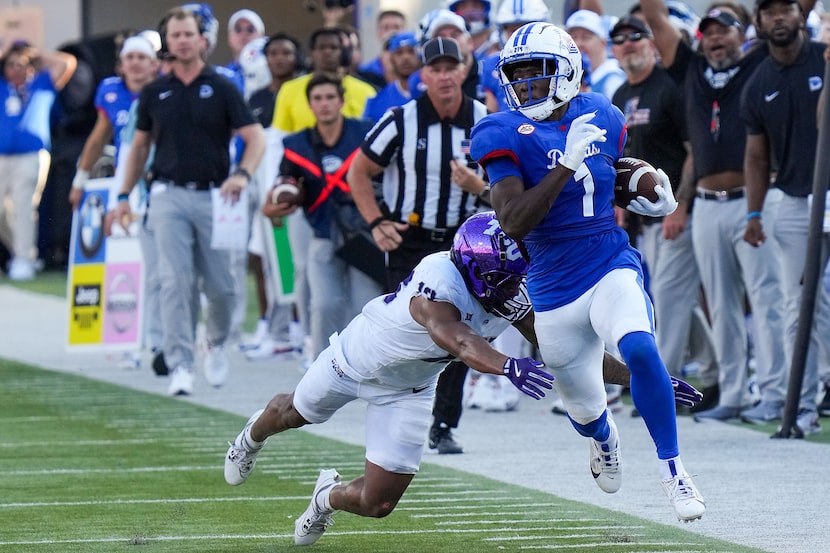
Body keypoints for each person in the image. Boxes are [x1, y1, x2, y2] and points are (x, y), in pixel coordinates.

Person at [223, 211, 704, 545]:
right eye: (510, 278)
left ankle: (324, 498)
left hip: (409, 388)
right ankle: (249, 438)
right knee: (294, 413)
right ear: (482, 269)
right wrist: (507, 364)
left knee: (378, 503)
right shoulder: (439, 278)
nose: (519, 286)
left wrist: (645, 377)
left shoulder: (509, 288)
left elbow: (570, 351)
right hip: (353, 362)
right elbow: (457, 339)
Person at [471, 21, 705, 522]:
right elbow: (512, 221)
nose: (526, 87)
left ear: (568, 70)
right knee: (585, 411)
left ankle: (674, 470)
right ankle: (604, 439)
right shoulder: (501, 130)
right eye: (519, 77)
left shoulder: (602, 111)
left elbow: (606, 179)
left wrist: (651, 192)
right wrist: (564, 163)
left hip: (607, 259)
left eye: (538, 75)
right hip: (552, 289)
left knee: (640, 347)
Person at [641, 0, 794, 423]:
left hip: (753, 199)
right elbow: (655, 17)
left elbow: (789, 18)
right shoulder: (689, 68)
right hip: (707, 205)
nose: (716, 36)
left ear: (746, 34)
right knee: (721, 305)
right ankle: (733, 394)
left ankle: (775, 394)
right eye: (709, 29)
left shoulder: (759, 63)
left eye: (725, 28)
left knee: (766, 300)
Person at [107, 6, 266, 396]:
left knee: (223, 287)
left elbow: (255, 138)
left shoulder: (224, 86)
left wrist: (241, 174)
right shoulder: (154, 91)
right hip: (167, 195)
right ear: (168, 42)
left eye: (187, 33)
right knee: (174, 282)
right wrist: (124, 195)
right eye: (174, 35)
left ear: (201, 40)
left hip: (215, 195)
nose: (180, 40)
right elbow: (139, 147)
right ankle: (180, 363)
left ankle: (213, 342)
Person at [348, 36, 490, 455]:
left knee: (465, 331)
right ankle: (394, 416)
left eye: (452, 67)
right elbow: (358, 172)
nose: (445, 76)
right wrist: (375, 222)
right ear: (422, 74)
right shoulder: (400, 119)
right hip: (410, 240)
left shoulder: (485, 120)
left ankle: (444, 423)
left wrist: (476, 185)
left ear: (464, 71)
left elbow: (505, 187)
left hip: (464, 243)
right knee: (406, 333)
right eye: (436, 68)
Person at [609, 15, 719, 412]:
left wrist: (681, 206)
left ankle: (661, 388)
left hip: (673, 212)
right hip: (640, 218)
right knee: (678, 300)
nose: (628, 45)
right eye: (619, 40)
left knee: (667, 301)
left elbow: (693, 150)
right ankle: (713, 372)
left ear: (651, 43)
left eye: (635, 37)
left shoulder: (669, 87)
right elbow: (618, 163)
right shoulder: (620, 94)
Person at [741, 0, 830, 433]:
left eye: (786, 9)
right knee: (800, 307)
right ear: (758, 22)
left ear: (801, 16)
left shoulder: (824, 56)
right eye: (769, 11)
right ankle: (805, 407)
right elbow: (756, 156)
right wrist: (754, 211)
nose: (778, 17)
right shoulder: (757, 84)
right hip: (795, 202)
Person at [262, 72, 382, 360]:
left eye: (330, 97)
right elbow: (279, 191)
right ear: (310, 105)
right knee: (324, 304)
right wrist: (275, 208)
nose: (324, 104)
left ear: (342, 101)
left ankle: (369, 365)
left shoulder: (366, 133)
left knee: (365, 304)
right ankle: (320, 367)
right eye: (318, 99)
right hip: (323, 232)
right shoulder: (297, 145)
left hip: (363, 234)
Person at [68, 34, 161, 370]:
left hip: (161, 180)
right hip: (127, 184)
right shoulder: (111, 91)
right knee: (131, 266)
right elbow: (99, 136)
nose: (134, 63)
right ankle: (131, 341)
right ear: (121, 63)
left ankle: (161, 337)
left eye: (141, 57)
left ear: (154, 63)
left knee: (163, 268)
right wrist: (80, 179)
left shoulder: (166, 90)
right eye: (129, 57)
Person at [0, 42, 76, 280]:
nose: (15, 69)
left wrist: (32, 54)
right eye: (10, 65)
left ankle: (24, 259)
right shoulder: (2, 86)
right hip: (2, 155)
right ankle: (25, 253)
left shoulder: (41, 84)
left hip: (32, 154)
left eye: (20, 65)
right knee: (3, 211)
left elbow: (66, 63)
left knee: (24, 206)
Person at [565, 9, 625, 100]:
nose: (578, 44)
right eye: (574, 38)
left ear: (603, 42)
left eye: (586, 38)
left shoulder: (613, 79)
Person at [362, 31, 421, 123]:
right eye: (399, 53)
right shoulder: (376, 102)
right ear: (391, 59)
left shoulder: (433, 93)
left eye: (411, 51)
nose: (405, 57)